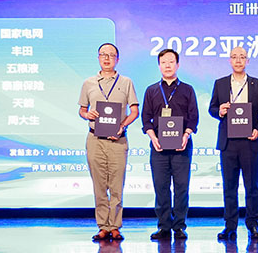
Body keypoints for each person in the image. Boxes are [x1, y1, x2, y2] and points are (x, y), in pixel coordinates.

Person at [78, 42, 139, 242]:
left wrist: (122, 126)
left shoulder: (126, 82)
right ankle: (103, 226)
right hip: (95, 139)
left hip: (118, 140)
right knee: (99, 185)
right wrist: (87, 114)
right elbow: (82, 110)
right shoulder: (88, 83)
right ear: (98, 58)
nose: (107, 58)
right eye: (103, 54)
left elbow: (134, 111)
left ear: (117, 59)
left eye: (111, 55)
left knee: (116, 185)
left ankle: (115, 226)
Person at [209, 46, 258, 241]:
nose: (238, 60)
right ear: (229, 60)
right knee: (229, 187)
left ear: (247, 61)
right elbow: (212, 108)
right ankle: (230, 226)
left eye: (242, 57)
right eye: (234, 57)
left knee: (252, 186)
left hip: (249, 142)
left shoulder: (257, 84)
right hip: (228, 142)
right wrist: (219, 111)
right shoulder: (220, 83)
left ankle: (253, 225)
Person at [141, 48, 199, 241]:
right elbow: (146, 119)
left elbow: (193, 117)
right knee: (161, 187)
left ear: (178, 65)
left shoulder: (187, 89)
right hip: (158, 147)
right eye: (164, 62)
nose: (167, 65)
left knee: (181, 188)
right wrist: (153, 137)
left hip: (182, 147)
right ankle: (164, 226)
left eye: (171, 62)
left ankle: (179, 226)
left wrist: (186, 135)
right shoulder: (151, 90)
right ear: (159, 66)